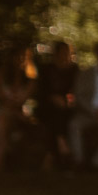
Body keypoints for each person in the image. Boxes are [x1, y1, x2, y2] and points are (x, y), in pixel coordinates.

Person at [0, 43, 36, 170]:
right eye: (18, 56)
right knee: (3, 120)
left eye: (24, 57)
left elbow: (20, 102)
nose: (20, 60)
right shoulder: (1, 74)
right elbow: (1, 97)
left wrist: (12, 106)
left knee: (3, 118)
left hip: (19, 114)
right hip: (3, 111)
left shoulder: (30, 79)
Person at [33, 40, 79, 171]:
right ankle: (62, 145)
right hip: (47, 107)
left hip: (66, 108)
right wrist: (53, 98)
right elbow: (41, 91)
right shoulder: (46, 69)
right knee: (55, 113)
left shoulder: (74, 70)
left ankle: (51, 154)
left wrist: (68, 100)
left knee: (59, 115)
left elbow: (76, 91)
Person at [72, 41, 98, 169]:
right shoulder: (86, 73)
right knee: (74, 125)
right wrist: (93, 110)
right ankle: (79, 160)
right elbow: (79, 95)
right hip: (87, 112)